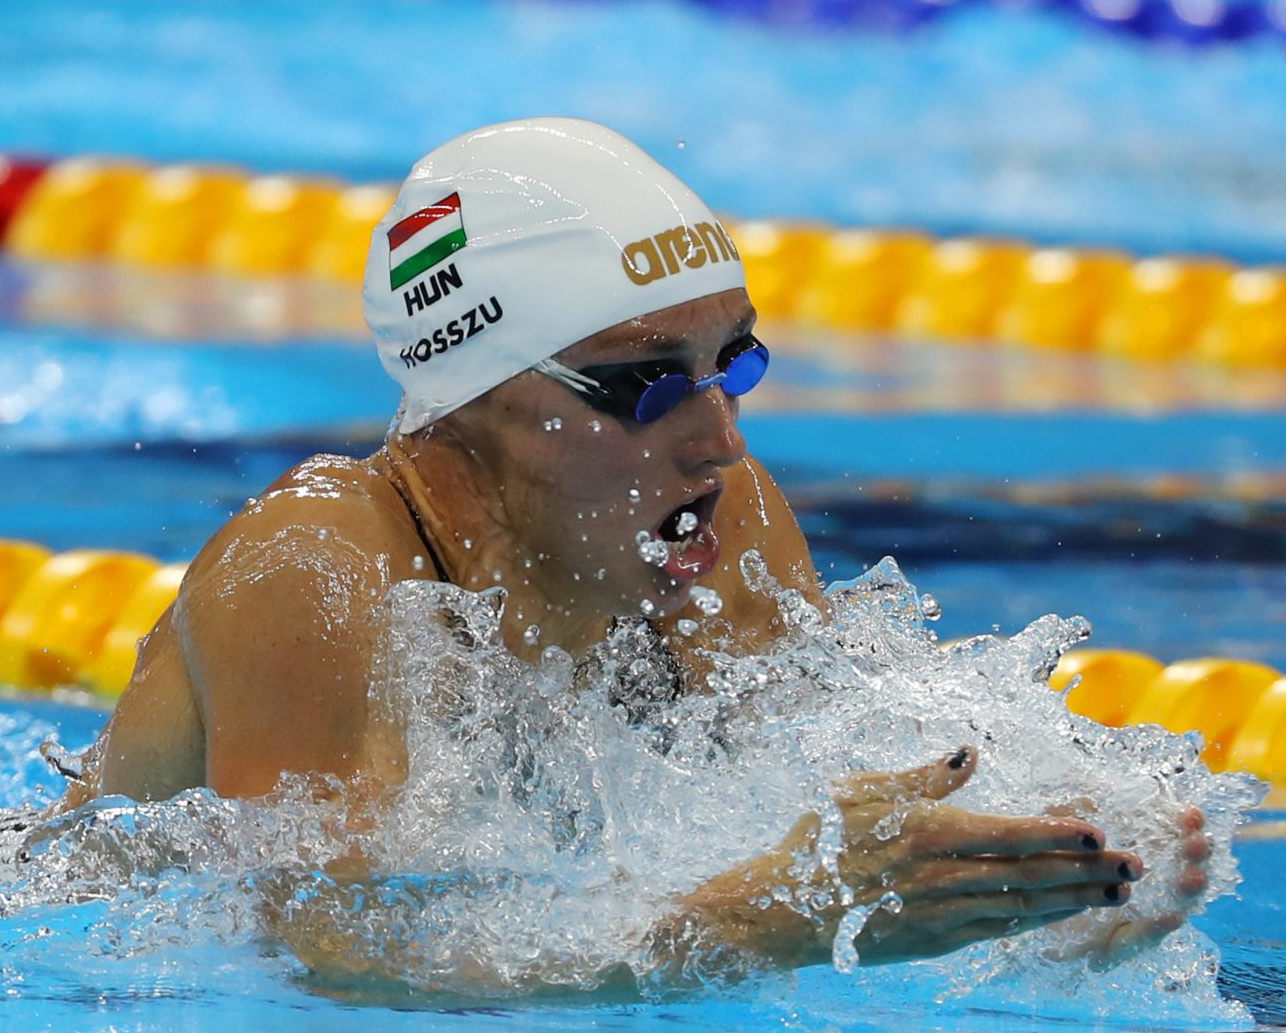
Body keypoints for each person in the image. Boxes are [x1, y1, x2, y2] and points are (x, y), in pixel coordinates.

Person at [67, 117, 1210, 984]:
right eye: (643, 386)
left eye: (734, 364)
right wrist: (752, 926)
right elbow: (319, 948)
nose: (718, 437)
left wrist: (1051, 898)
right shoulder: (313, 569)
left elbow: (814, 811)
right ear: (474, 401)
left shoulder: (720, 518)